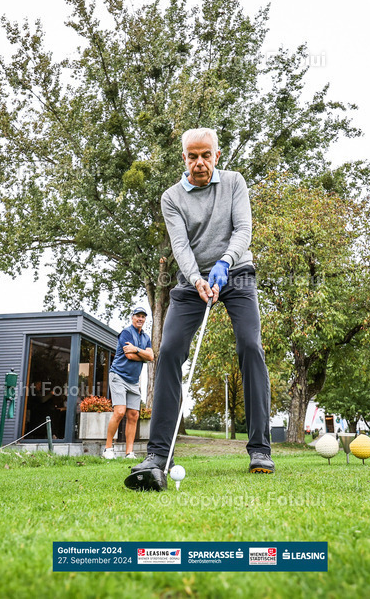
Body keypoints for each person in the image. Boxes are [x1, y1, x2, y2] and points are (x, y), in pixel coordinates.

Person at [127, 127, 273, 488]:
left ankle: (260, 448)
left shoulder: (235, 183)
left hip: (236, 273)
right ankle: (159, 453)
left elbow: (243, 231)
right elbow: (180, 247)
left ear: (217, 156)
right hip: (192, 281)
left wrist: (224, 263)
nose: (199, 163)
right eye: (192, 156)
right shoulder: (172, 197)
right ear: (184, 158)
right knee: (170, 351)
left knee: (250, 346)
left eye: (206, 155)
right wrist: (197, 280)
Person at [102, 306, 154, 460]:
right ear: (132, 318)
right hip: (118, 375)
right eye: (137, 316)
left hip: (133, 381)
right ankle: (108, 449)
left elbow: (151, 357)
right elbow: (129, 355)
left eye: (143, 316)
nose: (140, 319)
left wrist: (137, 350)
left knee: (133, 415)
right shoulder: (126, 333)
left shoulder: (146, 337)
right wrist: (142, 354)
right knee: (119, 412)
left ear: (145, 320)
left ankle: (129, 453)